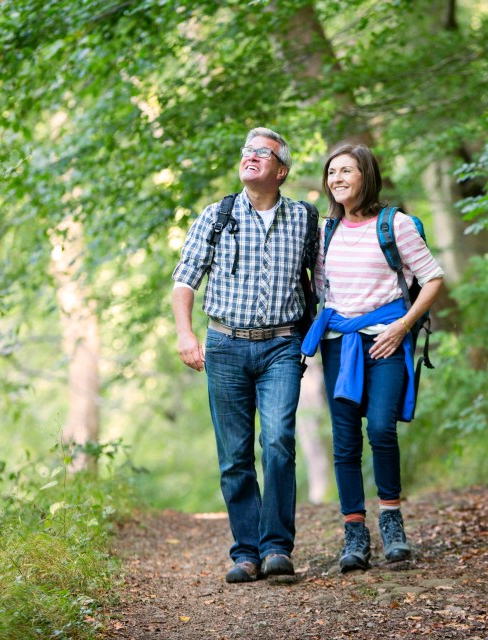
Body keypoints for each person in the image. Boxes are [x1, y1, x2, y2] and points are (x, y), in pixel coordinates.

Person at [172, 127, 318, 583]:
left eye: (263, 153)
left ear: (281, 170)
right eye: (247, 151)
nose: (251, 157)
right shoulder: (216, 216)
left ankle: (277, 548)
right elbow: (184, 281)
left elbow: (326, 282)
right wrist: (184, 334)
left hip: (281, 345)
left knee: (277, 442)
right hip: (225, 345)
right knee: (235, 455)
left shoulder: (305, 219)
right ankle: (246, 553)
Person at [301, 144, 444, 572]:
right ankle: (354, 533)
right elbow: (321, 289)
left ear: (366, 175)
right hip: (339, 343)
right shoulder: (326, 230)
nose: (337, 179)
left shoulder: (394, 225)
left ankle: (392, 521)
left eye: (346, 170)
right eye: (331, 173)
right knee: (345, 442)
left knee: (381, 427)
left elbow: (432, 277)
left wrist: (403, 326)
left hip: (387, 338)